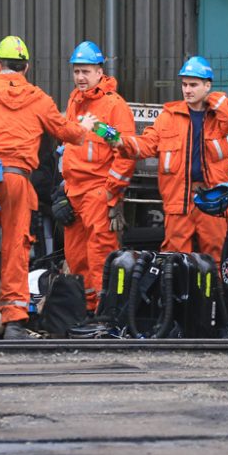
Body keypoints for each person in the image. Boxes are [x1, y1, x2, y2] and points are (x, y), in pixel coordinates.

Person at [0, 36, 95, 340]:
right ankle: (14, 324)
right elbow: (63, 130)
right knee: (16, 249)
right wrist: (84, 129)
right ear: (26, 66)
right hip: (17, 180)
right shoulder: (38, 98)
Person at [117, 56, 228, 262]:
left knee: (216, 254)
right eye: (184, 84)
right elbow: (147, 145)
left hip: (212, 200)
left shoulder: (217, 117)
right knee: (174, 258)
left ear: (207, 85)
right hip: (178, 202)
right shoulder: (168, 117)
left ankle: (213, 294)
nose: (187, 90)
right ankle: (177, 295)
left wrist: (215, 99)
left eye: (194, 84)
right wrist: (121, 142)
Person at [60, 40, 136, 313]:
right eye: (77, 71)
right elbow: (69, 145)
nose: (80, 77)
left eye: (86, 71)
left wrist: (110, 191)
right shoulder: (73, 101)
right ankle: (86, 309)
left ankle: (104, 312)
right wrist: (64, 188)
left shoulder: (114, 106)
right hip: (74, 191)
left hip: (97, 191)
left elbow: (125, 152)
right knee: (76, 255)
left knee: (100, 254)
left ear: (99, 71)